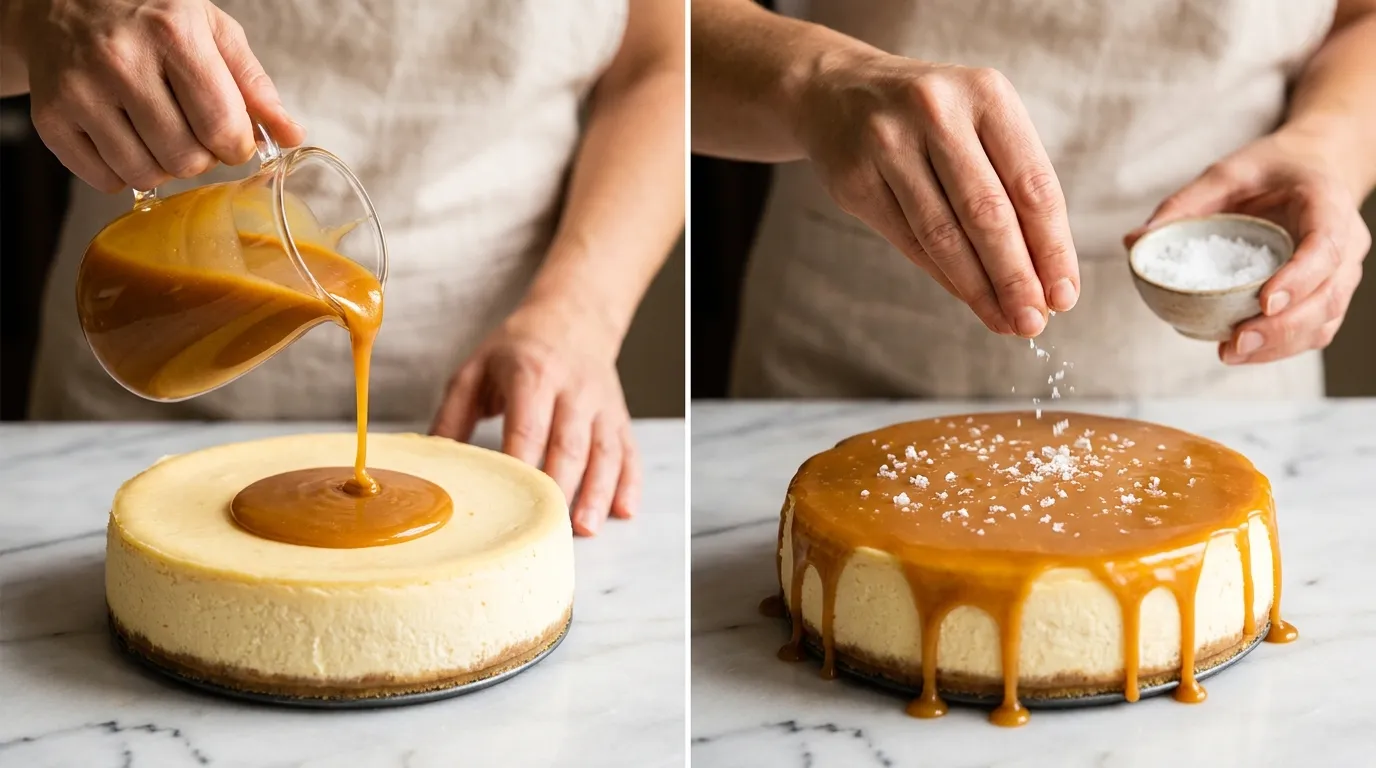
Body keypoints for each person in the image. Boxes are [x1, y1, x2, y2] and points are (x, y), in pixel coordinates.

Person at [0, 0, 685, 536]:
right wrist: (43, 14)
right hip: (127, 419)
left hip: (490, 413)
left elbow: (665, 57)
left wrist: (576, 317)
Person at [691, 0, 1375, 398]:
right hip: (847, 355)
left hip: (1227, 378)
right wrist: (819, 79)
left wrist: (1325, 147)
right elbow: (648, 34)